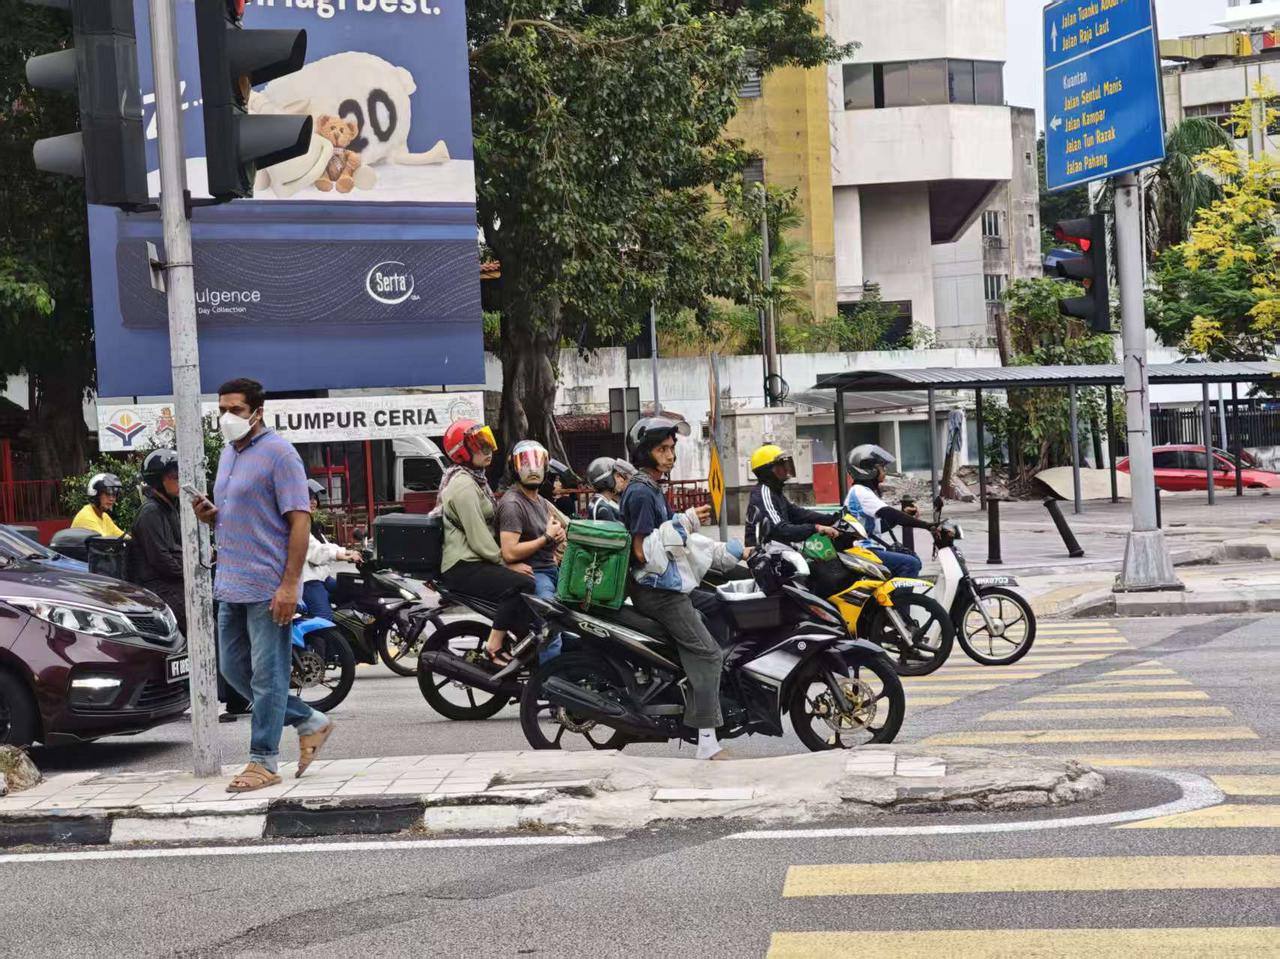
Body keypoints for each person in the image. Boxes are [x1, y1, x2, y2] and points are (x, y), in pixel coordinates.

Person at [191, 377, 334, 794]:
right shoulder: (227, 454)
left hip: (268, 586)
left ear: (257, 412)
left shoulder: (280, 454)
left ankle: (263, 761)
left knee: (268, 678)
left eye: (235, 409)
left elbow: (300, 522)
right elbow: (247, 513)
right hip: (230, 583)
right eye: (222, 409)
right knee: (233, 670)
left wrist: (290, 586)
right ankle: (309, 720)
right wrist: (213, 516)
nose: (226, 417)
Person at [620, 417, 730, 761]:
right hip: (658, 592)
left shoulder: (652, 488)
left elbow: (668, 539)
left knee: (717, 607)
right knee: (708, 654)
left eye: (671, 449)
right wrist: (686, 522)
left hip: (666, 585)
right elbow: (642, 551)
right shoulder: (641, 492)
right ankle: (707, 742)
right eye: (662, 449)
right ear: (645, 453)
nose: (670, 456)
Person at [438, 418, 537, 666]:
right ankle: (494, 645)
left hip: (475, 560)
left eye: (488, 443)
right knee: (522, 583)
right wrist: (507, 563)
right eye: (480, 446)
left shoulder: (475, 480)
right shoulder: (463, 486)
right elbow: (479, 538)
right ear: (462, 452)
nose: (488, 450)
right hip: (463, 565)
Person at [496, 440, 567, 662]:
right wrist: (546, 537)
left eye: (537, 464)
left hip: (551, 570)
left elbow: (555, 529)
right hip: (536, 575)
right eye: (525, 464)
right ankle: (551, 680)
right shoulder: (513, 504)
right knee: (551, 630)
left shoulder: (540, 501)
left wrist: (556, 536)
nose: (533, 469)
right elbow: (509, 552)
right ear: (514, 468)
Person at [844, 444, 936, 579]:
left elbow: (877, 529)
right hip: (863, 550)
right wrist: (928, 525)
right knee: (911, 564)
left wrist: (904, 514)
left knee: (909, 559)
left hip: (866, 549)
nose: (885, 470)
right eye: (881, 467)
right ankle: (900, 594)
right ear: (869, 470)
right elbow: (890, 513)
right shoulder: (860, 492)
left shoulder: (862, 491)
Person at [127, 449, 186, 634]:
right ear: (158, 480)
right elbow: (161, 559)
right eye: (174, 476)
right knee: (206, 626)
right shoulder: (151, 512)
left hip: (174, 582)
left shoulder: (169, 508)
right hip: (158, 586)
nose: (180, 479)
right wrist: (188, 574)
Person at [744, 444, 840, 549]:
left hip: (778, 549)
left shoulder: (775, 492)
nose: (786, 469)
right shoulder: (763, 494)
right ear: (767, 470)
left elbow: (798, 514)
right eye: (781, 465)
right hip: (765, 553)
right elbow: (780, 529)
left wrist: (833, 519)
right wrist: (816, 528)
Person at [302, 479, 359, 623]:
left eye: (315, 498)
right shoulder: (298, 524)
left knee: (353, 594)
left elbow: (325, 545)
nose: (313, 502)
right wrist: (341, 556)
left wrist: (348, 551)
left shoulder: (311, 523)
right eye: (309, 498)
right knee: (324, 619)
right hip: (308, 581)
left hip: (322, 577)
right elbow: (315, 552)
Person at [586, 456, 635, 522]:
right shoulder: (603, 508)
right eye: (618, 476)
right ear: (607, 480)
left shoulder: (599, 500)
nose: (622, 480)